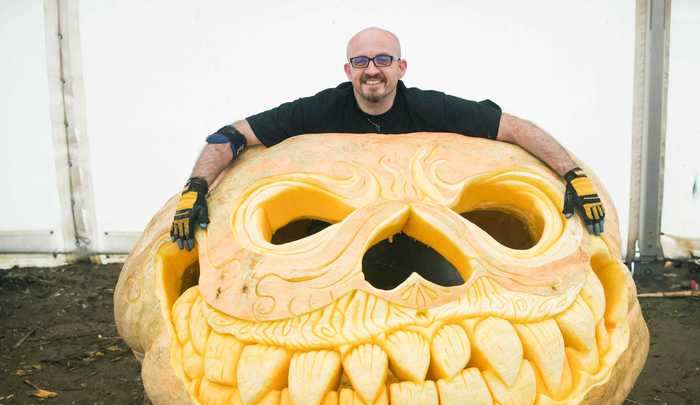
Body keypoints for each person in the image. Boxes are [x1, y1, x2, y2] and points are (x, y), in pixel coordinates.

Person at [170, 27, 605, 250]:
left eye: (382, 59)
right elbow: (229, 135)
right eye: (360, 61)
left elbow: (513, 127)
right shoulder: (320, 110)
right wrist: (196, 189)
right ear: (348, 71)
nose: (371, 69)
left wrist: (574, 175)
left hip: (420, 233)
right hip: (334, 240)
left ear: (401, 67)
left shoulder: (431, 108)